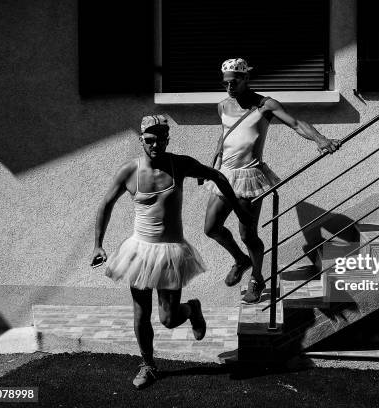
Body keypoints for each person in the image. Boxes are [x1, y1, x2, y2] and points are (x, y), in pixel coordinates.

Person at [91, 115, 251, 389]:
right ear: (141, 140)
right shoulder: (129, 171)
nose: (155, 145)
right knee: (141, 313)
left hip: (170, 253)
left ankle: (192, 309)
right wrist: (98, 244)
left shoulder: (179, 164)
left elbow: (216, 176)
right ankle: (148, 365)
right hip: (139, 252)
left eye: (160, 139)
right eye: (149, 140)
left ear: (167, 139)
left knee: (168, 319)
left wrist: (237, 210)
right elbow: (105, 204)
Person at [204, 58, 341, 304]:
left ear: (246, 78)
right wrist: (216, 155)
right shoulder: (223, 106)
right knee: (211, 228)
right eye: (225, 83)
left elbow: (296, 123)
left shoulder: (265, 105)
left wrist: (320, 139)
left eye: (234, 82)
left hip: (249, 176)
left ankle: (256, 278)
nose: (229, 88)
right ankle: (241, 260)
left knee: (248, 235)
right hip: (224, 174)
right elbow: (225, 133)